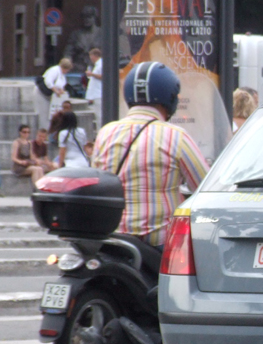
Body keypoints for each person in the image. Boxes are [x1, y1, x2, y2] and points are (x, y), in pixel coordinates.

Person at [93, 61, 209, 249]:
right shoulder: (175, 136)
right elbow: (205, 187)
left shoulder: (106, 133)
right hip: (160, 244)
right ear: (170, 98)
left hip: (115, 238)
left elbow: (98, 180)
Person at [84, 47, 103, 128]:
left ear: (94, 56)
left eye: (91, 56)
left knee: (99, 116)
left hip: (99, 94)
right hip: (96, 94)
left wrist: (91, 74)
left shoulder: (101, 64)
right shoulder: (97, 65)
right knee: (97, 115)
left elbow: (103, 76)